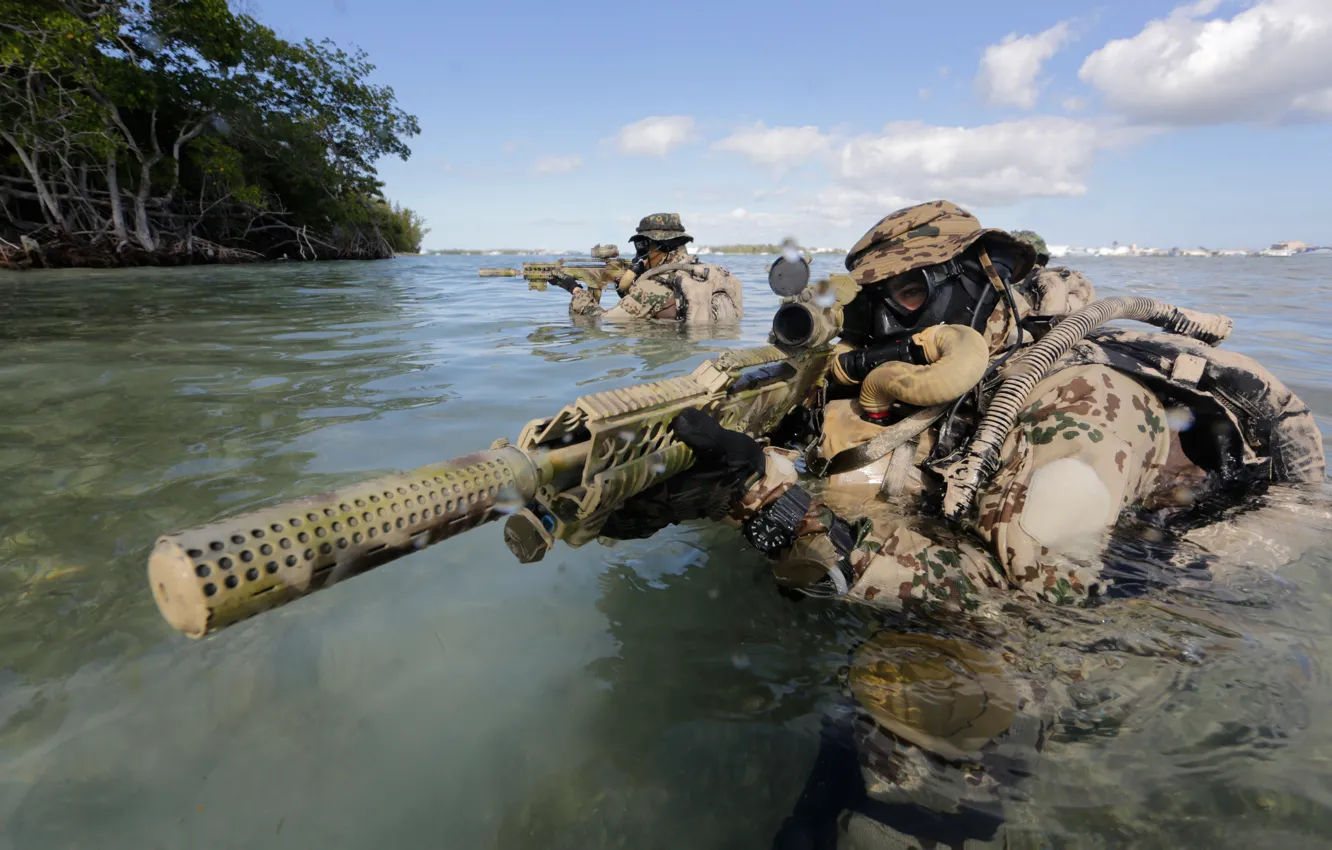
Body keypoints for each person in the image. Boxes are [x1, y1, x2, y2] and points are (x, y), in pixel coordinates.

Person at [600, 199, 1325, 847]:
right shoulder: (944, 381)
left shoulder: (1080, 399)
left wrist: (768, 503)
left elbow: (1027, 603)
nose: (889, 326)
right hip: (988, 565)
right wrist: (675, 487)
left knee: (918, 737)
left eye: (911, 294)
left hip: (1129, 614)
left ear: (985, 283)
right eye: (873, 305)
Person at [566, 213, 744, 324]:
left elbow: (603, 321)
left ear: (663, 246)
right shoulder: (707, 274)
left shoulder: (651, 289)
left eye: (643, 245)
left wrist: (575, 291)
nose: (640, 252)